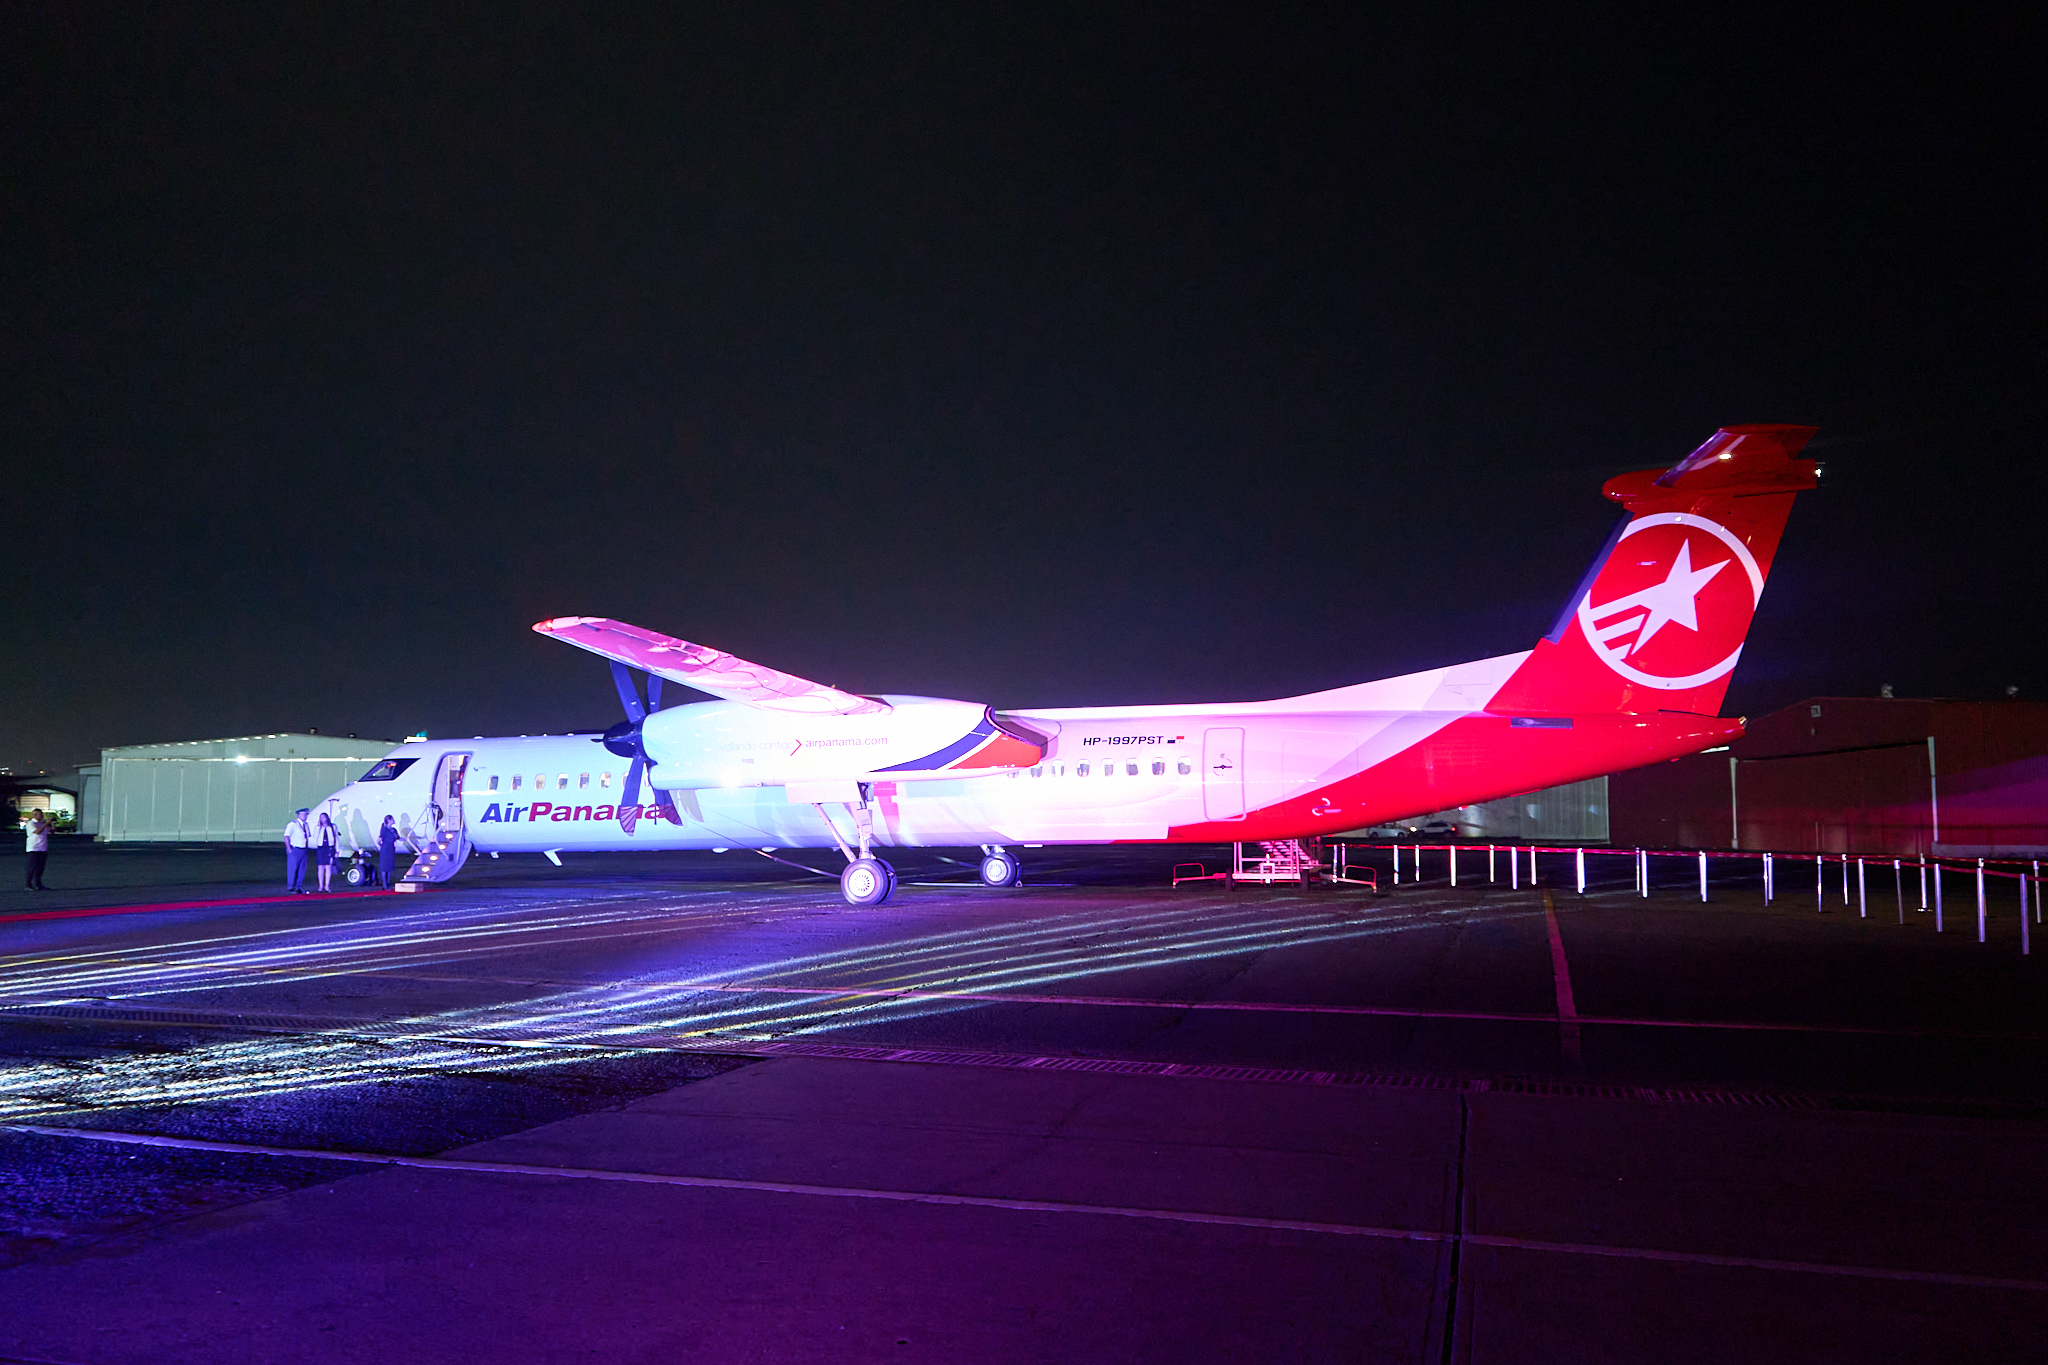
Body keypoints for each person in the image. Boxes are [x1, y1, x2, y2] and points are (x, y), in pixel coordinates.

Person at [284, 807, 313, 894]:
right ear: (298, 815)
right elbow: (286, 836)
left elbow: (308, 836)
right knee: (292, 868)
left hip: (304, 849)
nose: (305, 816)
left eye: (306, 814)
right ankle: (290, 886)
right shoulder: (292, 824)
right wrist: (288, 848)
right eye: (304, 814)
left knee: (302, 869)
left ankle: (298, 886)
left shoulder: (306, 825)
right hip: (295, 849)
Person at [23, 808, 51, 890]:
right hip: (34, 848)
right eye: (40, 814)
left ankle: (38, 884)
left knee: (40, 868)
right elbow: (37, 831)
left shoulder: (41, 823)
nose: (42, 816)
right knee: (32, 867)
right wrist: (46, 824)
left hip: (42, 848)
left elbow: (51, 831)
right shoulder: (30, 823)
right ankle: (28, 885)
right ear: (35, 815)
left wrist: (51, 824)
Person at [314, 811, 340, 892]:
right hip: (321, 848)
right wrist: (318, 826)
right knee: (320, 867)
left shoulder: (333, 826)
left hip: (329, 848)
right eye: (320, 818)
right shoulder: (319, 827)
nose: (322, 819)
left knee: (328, 867)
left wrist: (337, 850)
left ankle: (327, 886)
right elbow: (315, 836)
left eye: (323, 817)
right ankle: (320, 886)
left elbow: (336, 838)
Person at [376, 814, 400, 889]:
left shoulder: (394, 830)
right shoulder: (384, 830)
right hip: (385, 850)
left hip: (391, 850)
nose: (394, 820)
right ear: (389, 820)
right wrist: (382, 846)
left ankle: (387, 883)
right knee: (384, 867)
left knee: (389, 867)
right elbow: (379, 840)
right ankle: (385, 885)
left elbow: (398, 838)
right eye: (392, 819)